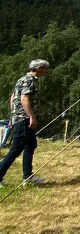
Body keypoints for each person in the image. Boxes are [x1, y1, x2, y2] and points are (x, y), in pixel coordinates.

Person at [0, 59, 50, 187]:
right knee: (16, 149)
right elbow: (24, 99)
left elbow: (13, 98)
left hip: (20, 118)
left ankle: (27, 176)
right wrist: (31, 116)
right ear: (38, 68)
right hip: (24, 119)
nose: (46, 71)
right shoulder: (29, 81)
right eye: (45, 68)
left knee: (30, 145)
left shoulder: (22, 79)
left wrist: (13, 114)